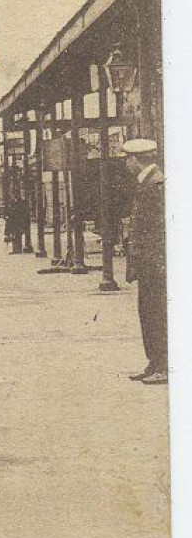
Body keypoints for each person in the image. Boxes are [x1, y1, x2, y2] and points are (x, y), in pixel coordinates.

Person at [123, 138, 167, 384]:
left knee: (157, 313)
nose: (126, 164)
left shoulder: (156, 185)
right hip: (148, 262)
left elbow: (159, 229)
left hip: (156, 263)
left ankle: (163, 365)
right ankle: (154, 362)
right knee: (148, 312)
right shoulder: (147, 183)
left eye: (128, 159)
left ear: (136, 160)